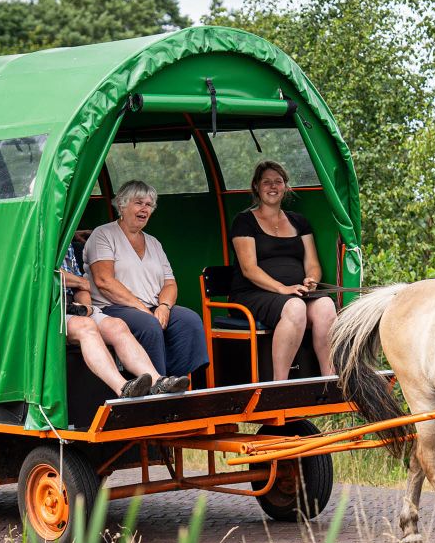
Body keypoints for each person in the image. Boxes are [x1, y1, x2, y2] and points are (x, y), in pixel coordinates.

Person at [85, 180, 206, 390]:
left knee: (189, 321)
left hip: (152, 306)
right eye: (138, 203)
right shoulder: (103, 234)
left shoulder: (154, 242)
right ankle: (156, 386)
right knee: (148, 324)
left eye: (149, 205)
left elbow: (170, 283)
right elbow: (104, 281)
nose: (144, 209)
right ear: (122, 205)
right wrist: (142, 308)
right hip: (113, 308)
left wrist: (164, 307)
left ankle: (174, 382)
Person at [228, 160, 337, 380]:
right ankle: (280, 386)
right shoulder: (244, 221)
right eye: (266, 182)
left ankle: (330, 380)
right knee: (295, 307)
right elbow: (249, 269)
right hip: (253, 293)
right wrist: (282, 288)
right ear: (256, 186)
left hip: (294, 292)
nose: (273, 186)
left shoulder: (299, 221)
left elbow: (313, 264)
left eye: (278, 181)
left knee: (326, 305)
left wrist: (311, 281)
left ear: (286, 187)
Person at [58, 235, 170, 398]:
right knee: (86, 327)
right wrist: (79, 282)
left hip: (74, 307)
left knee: (117, 325)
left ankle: (157, 382)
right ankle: (123, 388)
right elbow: (48, 276)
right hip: (47, 311)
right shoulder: (30, 236)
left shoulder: (65, 243)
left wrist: (87, 307)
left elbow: (82, 286)